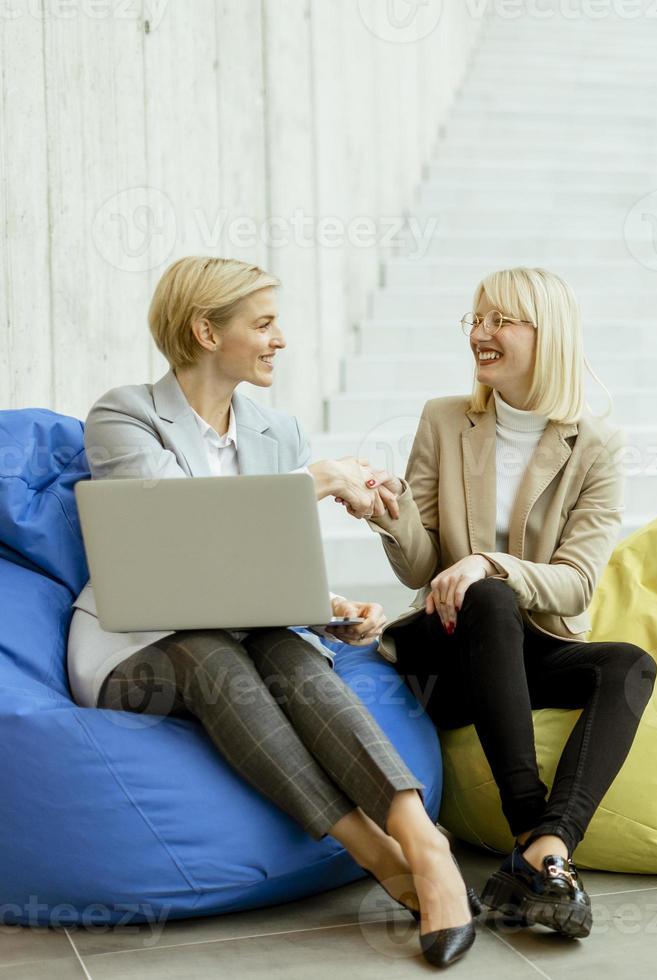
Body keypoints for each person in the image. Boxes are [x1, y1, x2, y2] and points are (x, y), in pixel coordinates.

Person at [69, 256, 477, 968]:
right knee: (209, 652)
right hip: (134, 644)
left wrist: (323, 611)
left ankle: (423, 844)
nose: (279, 339)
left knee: (289, 650)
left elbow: (254, 570)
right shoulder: (124, 416)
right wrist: (315, 481)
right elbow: (177, 536)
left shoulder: (274, 432)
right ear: (204, 331)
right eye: (262, 324)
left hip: (246, 630)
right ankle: (374, 854)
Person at [359, 266, 657, 939]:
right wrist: (389, 511)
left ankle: (548, 850)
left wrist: (489, 561)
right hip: (445, 655)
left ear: (544, 335)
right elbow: (421, 565)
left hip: (528, 650)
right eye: (476, 318)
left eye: (500, 320)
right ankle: (529, 827)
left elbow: (577, 584)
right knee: (488, 599)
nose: (480, 333)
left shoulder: (597, 446)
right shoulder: (444, 420)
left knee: (630, 665)